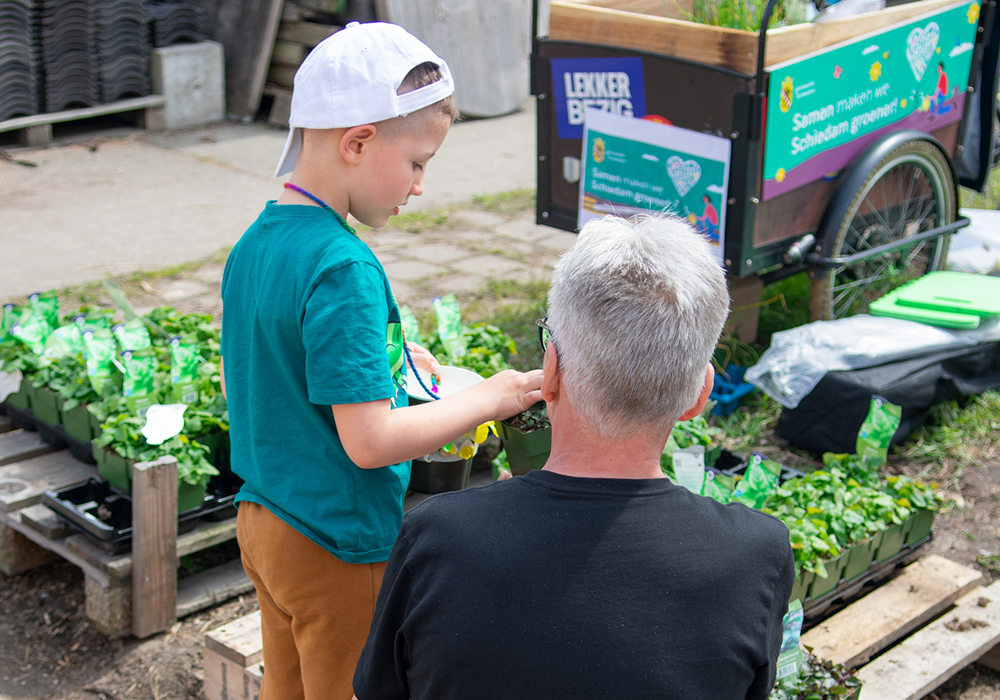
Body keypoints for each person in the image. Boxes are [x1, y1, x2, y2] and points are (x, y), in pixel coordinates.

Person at [219, 22, 543, 700]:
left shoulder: (257, 242)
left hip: (264, 523)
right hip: (336, 540)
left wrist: (387, 359)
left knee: (289, 689)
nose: (420, 186)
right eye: (418, 162)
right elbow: (369, 442)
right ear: (358, 142)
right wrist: (496, 394)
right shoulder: (344, 266)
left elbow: (279, 361)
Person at [354, 214, 794, 700]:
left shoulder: (437, 536)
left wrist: (482, 520)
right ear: (699, 395)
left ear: (551, 370)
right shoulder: (758, 553)